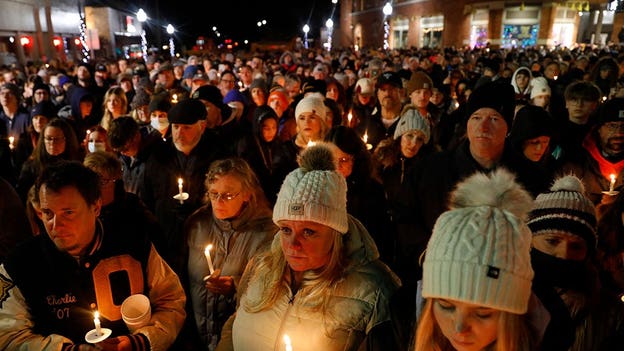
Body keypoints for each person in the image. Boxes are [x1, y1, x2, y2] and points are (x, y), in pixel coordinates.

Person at [216, 142, 402, 351]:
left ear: (335, 233)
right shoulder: (261, 264)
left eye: (308, 232)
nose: (293, 245)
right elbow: (234, 324)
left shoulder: (375, 292)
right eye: (286, 229)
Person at [0, 161, 186, 351]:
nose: (55, 225)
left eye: (68, 213)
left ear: (96, 206)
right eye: (48, 213)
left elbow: (170, 301)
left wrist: (142, 341)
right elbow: (8, 336)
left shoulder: (133, 242)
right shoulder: (20, 263)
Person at [415, 169, 537, 351]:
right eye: (446, 306)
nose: (460, 328)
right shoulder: (392, 336)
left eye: (483, 314)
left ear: (511, 316)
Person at [186, 158, 277, 350]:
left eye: (227, 195)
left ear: (246, 195)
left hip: (238, 339)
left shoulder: (267, 233)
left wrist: (235, 286)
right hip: (195, 338)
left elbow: (270, 292)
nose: (218, 202)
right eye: (214, 194)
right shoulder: (197, 224)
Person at [528, 175, 624, 350]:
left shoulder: (611, 314)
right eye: (552, 241)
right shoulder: (506, 300)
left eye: (576, 246)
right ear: (530, 241)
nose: (564, 254)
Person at [561, 97, 624, 204]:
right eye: (612, 126)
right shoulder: (576, 166)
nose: (619, 133)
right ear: (599, 129)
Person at [236, 105, 297, 206]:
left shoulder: (277, 144)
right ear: (258, 126)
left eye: (274, 127)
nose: (271, 132)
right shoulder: (247, 145)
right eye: (266, 128)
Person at [16, 117, 82, 203]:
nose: (52, 143)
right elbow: (22, 195)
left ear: (67, 140)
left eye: (57, 139)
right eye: (48, 138)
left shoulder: (78, 164)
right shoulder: (31, 166)